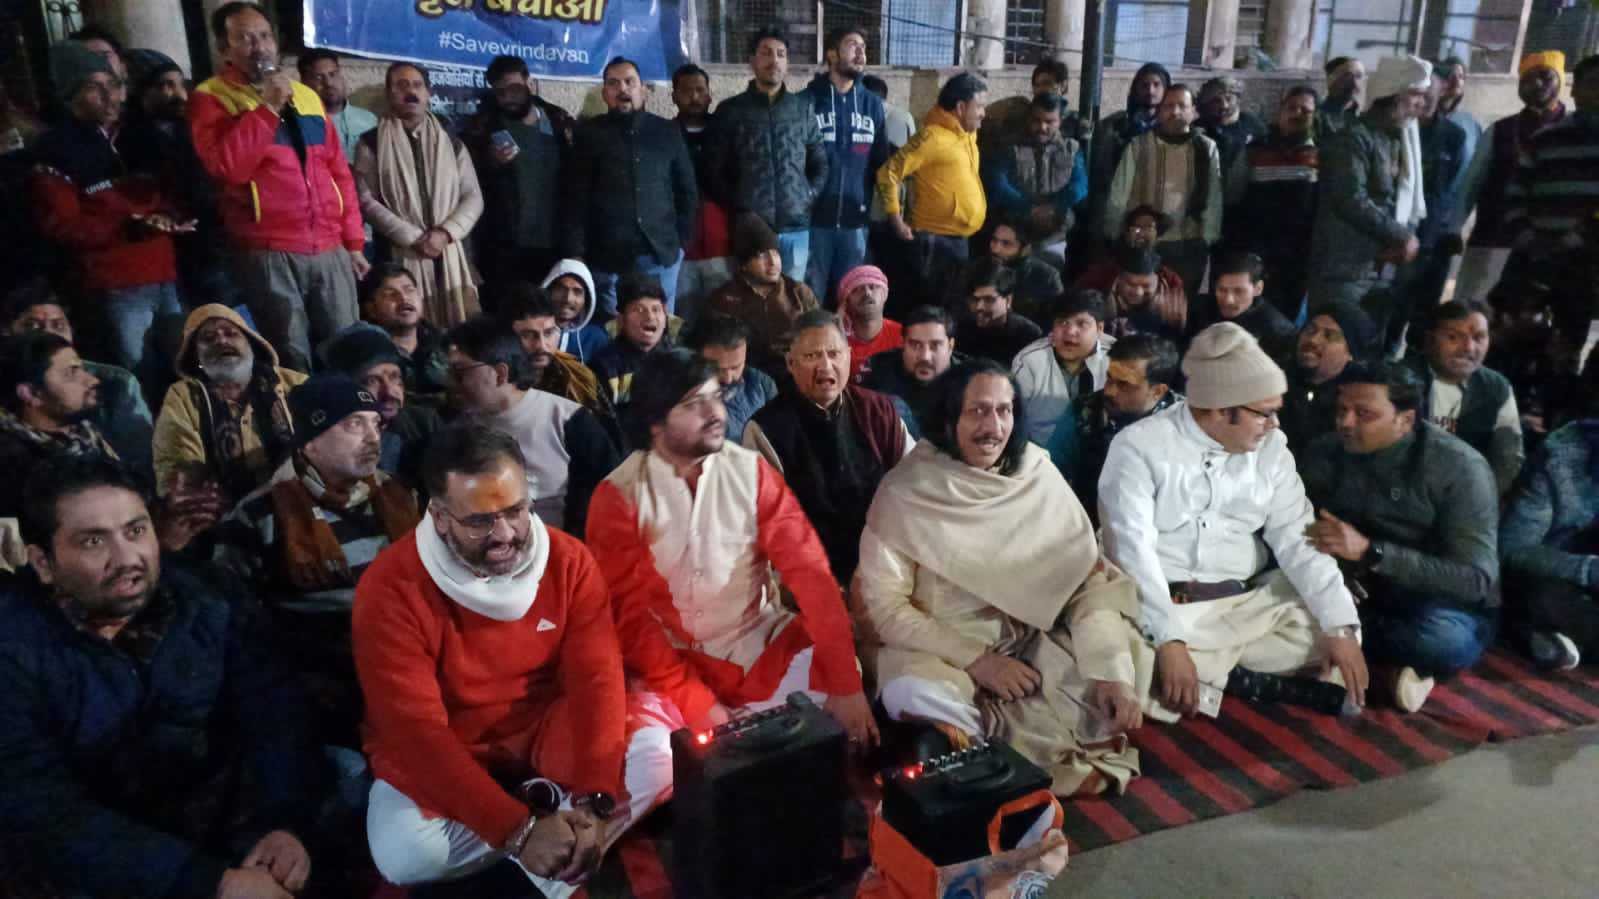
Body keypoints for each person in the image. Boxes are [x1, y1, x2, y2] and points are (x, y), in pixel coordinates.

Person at [354, 424, 671, 895]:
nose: (505, 535)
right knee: (404, 854)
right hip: (452, 753)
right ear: (439, 516)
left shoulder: (569, 561)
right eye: (480, 521)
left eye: (516, 511)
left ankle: (562, 829)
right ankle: (552, 832)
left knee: (661, 760)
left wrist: (594, 800)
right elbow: (416, 734)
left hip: (546, 735)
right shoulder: (390, 588)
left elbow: (597, 682)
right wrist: (515, 830)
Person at [0, 459, 333, 899]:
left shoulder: (210, 597)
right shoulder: (13, 648)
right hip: (111, 863)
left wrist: (283, 825)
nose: (127, 559)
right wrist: (208, 882)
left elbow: (274, 714)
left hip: (230, 827)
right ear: (43, 562)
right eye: (94, 541)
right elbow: (41, 809)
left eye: (136, 531)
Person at [855, 360, 1149, 794]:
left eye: (1003, 411)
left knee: (1127, 659)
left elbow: (1088, 583)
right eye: (977, 411)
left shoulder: (1036, 474)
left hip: (1029, 639)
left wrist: (1109, 671)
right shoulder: (907, 490)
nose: (992, 426)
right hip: (938, 646)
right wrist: (979, 660)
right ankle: (959, 750)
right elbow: (885, 608)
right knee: (915, 693)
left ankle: (968, 754)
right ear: (949, 417)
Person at [588, 350, 877, 747]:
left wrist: (845, 685)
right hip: (667, 665)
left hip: (759, 647)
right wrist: (696, 701)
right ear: (656, 422)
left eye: (716, 397)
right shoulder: (618, 496)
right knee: (650, 757)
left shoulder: (750, 471)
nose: (714, 413)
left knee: (842, 686)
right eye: (694, 403)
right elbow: (631, 620)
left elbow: (810, 576)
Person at [1099, 324, 1369, 720]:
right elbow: (1132, 552)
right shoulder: (1139, 446)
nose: (1274, 425)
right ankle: (1244, 683)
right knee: (1114, 654)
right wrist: (1170, 641)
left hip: (1244, 605)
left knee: (1334, 621)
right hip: (1162, 604)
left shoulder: (1272, 449)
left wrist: (1341, 630)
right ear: (1224, 409)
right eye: (1265, 414)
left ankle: (1217, 679)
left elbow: (1299, 539)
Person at [212, 375, 420, 745]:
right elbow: (238, 627)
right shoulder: (260, 516)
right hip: (324, 691)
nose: (373, 438)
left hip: (411, 668)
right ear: (310, 440)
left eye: (375, 423)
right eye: (353, 424)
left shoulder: (399, 497)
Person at [1300, 361, 1498, 711]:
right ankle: (1384, 678)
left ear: (1405, 420)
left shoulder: (1459, 468)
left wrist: (1371, 553)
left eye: (1364, 414)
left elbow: (1476, 581)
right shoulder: (1324, 452)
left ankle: (1340, 660)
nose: (1346, 423)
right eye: (1342, 410)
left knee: (1447, 640)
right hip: (1345, 590)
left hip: (1424, 602)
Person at [190, 1, 368, 374]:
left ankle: (357, 424)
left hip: (329, 246)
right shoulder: (211, 98)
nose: (260, 46)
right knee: (290, 356)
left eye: (265, 36)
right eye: (245, 38)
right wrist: (267, 110)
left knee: (349, 347)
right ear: (225, 49)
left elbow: (338, 173)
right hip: (269, 251)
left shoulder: (306, 96)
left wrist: (353, 242)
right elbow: (228, 168)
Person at [31, 40, 183, 373]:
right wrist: (129, 227)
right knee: (140, 375)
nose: (109, 96)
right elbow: (62, 225)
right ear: (69, 96)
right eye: (93, 87)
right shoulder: (56, 150)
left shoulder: (139, 135)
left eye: (112, 85)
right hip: (114, 286)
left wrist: (167, 214)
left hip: (164, 273)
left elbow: (167, 191)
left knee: (184, 368)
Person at [743, 311, 912, 582]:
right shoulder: (765, 430)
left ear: (849, 356)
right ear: (790, 362)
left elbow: (913, 483)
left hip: (883, 565)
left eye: (834, 354)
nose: (825, 366)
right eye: (812, 356)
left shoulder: (879, 411)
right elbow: (765, 526)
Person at [444, 317, 619, 535]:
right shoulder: (455, 430)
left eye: (460, 372)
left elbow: (610, 501)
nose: (451, 383)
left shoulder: (569, 420)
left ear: (500, 373)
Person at [565, 56, 697, 317]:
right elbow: (574, 199)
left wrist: (682, 243)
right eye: (613, 83)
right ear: (605, 94)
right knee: (615, 329)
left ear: (643, 89)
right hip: (607, 258)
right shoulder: (588, 135)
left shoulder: (667, 132)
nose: (622, 89)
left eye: (629, 82)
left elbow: (687, 192)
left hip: (660, 255)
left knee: (659, 328)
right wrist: (576, 253)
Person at [1307, 55, 1432, 331]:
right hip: (1344, 271)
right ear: (1392, 94)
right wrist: (1401, 235)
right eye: (1416, 95)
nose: (1422, 104)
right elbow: (1349, 198)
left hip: (1381, 269)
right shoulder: (1352, 139)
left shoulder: (1396, 140)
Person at [354, 62, 483, 327]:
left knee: (462, 331)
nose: (410, 92)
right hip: (401, 251)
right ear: (389, 94)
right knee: (410, 327)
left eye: (416, 85)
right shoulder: (371, 142)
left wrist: (445, 233)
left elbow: (472, 195)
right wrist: (414, 238)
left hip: (451, 252)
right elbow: (366, 200)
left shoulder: (452, 140)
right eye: (401, 86)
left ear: (428, 93)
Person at [152, 304, 307, 508]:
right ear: (196, 357)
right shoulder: (184, 396)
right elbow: (176, 462)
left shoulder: (291, 382)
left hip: (302, 495)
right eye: (208, 339)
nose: (221, 340)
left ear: (251, 345)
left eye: (231, 333)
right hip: (232, 516)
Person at [711, 28, 828, 282]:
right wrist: (741, 207)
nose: (773, 60)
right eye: (765, 53)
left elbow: (820, 162)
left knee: (793, 302)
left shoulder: (802, 109)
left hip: (796, 227)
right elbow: (713, 171)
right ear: (752, 61)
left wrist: (807, 195)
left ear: (787, 63)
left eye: (781, 54)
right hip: (751, 230)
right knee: (753, 301)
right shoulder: (731, 111)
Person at [1454, 51, 1568, 302]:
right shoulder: (1500, 130)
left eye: (1545, 76)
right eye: (1526, 78)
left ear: (1561, 82)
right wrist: (1453, 228)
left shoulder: (1575, 131)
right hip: (1493, 239)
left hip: (1555, 247)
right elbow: (1470, 185)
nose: (1535, 84)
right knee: (1474, 312)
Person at [1501, 53, 1599, 344]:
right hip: (1535, 258)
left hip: (1588, 266)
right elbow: (1516, 194)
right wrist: (1529, 239)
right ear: (1574, 89)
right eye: (1592, 84)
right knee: (1512, 336)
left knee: (1568, 344)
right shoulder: (1545, 139)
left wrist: (1581, 238)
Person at [6, 290, 153, 478]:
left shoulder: (86, 427)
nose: (92, 380)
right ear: (30, 394)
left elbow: (143, 463)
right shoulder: (17, 460)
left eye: (58, 325)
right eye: (33, 327)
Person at [876, 72, 989, 312]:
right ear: (960, 107)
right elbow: (888, 173)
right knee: (932, 310)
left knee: (951, 310)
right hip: (934, 245)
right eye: (979, 107)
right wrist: (896, 219)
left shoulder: (967, 135)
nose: (983, 113)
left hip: (959, 241)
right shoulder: (931, 137)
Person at [466, 54, 575, 289]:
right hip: (504, 249)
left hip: (556, 245)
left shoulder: (560, 123)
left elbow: (578, 181)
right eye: (500, 92)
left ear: (530, 83)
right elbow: (466, 185)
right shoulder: (483, 128)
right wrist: (490, 162)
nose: (508, 98)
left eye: (514, 89)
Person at [1046, 334, 1181, 524]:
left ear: (1157, 391)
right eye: (1109, 378)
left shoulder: (1183, 424)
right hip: (1089, 526)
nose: (1109, 391)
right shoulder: (1085, 411)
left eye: (1124, 384)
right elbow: (1051, 472)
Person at [1104, 84, 1222, 295]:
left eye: (1181, 106)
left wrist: (1208, 238)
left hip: (1187, 244)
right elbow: (1119, 194)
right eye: (1168, 106)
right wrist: (1114, 234)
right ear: (1159, 110)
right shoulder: (1139, 146)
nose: (1175, 111)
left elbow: (1214, 197)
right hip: (1144, 243)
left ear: (1193, 111)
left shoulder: (1206, 148)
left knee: (1179, 305)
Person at [1500, 419, 1599, 670]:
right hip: (1551, 575)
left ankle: (1548, 639)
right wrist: (1589, 569)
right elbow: (1512, 550)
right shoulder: (1560, 459)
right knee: (1538, 595)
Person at [803, 26, 889, 302]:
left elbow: (881, 162)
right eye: (853, 45)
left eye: (863, 47)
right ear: (831, 54)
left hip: (855, 224)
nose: (861, 52)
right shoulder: (807, 101)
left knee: (852, 302)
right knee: (810, 301)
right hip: (813, 223)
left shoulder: (872, 105)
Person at [0, 332, 119, 521]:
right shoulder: (15, 464)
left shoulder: (84, 433)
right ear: (31, 394)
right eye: (71, 373)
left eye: (82, 369)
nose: (92, 380)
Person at [1410, 300, 1523, 495]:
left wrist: (1480, 501)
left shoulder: (1497, 388)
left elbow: (1507, 458)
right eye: (1454, 337)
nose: (1469, 348)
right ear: (1429, 340)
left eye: (1479, 338)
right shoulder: (1402, 377)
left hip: (1465, 494)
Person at [1229, 86, 1320, 318]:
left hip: (1298, 254)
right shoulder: (1255, 150)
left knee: (1284, 318)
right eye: (1292, 107)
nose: (1297, 114)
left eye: (1305, 110)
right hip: (1256, 249)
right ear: (1280, 110)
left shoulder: (1320, 154)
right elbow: (1233, 195)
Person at [320, 323, 444, 491]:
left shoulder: (424, 424)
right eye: (372, 381)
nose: (389, 392)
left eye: (394, 377)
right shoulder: (327, 439)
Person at [1395, 73, 1470, 334]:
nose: (1424, 101)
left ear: (1441, 96)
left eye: (1431, 95)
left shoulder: (1454, 136)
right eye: (1420, 95)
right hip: (1398, 233)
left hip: (1435, 235)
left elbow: (1454, 186)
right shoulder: (1398, 129)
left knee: (1426, 311)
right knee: (1394, 306)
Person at [703, 214, 820, 375]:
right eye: (761, 255)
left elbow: (820, 334)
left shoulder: (798, 292)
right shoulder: (724, 299)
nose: (773, 262)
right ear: (744, 265)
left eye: (775, 253)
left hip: (796, 372)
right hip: (747, 375)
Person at [983, 93, 1086, 264]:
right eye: (1036, 120)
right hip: (1014, 234)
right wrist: (1028, 208)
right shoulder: (1010, 147)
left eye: (1049, 121)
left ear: (1060, 121)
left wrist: (1053, 206)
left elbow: (1080, 186)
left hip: (1054, 236)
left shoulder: (1071, 150)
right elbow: (997, 183)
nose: (1042, 127)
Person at [1012, 290, 1112, 446]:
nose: (1070, 332)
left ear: (1099, 329)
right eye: (1063, 322)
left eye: (1081, 324)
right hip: (1043, 455)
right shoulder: (1029, 361)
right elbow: (1014, 421)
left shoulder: (1116, 358)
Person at [673, 63, 734, 318]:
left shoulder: (728, 134)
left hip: (724, 245)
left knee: (723, 319)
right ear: (674, 96)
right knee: (683, 320)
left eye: (700, 90)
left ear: (710, 94)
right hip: (680, 249)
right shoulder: (663, 136)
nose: (695, 97)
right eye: (687, 91)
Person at [1088, 62, 1171, 246]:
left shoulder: (1173, 128)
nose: (1150, 90)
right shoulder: (1114, 126)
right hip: (1118, 205)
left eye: (1157, 84)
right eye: (1144, 85)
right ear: (1135, 89)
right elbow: (1101, 172)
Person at [499, 282, 611, 416]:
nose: (541, 345)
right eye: (528, 335)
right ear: (507, 337)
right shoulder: (492, 382)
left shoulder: (580, 378)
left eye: (548, 333)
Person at [1280, 300, 1378, 452]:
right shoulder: (1276, 377)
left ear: (1351, 353)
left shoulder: (1358, 400)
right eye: (1311, 330)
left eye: (1330, 336)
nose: (1313, 340)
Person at [860, 305, 963, 438]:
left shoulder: (970, 380)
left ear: (950, 346)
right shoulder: (880, 369)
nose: (925, 356)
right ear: (902, 344)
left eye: (935, 346)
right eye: (915, 345)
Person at [358, 263, 449, 402]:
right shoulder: (367, 355)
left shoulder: (446, 342)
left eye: (409, 290)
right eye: (390, 294)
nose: (404, 298)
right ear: (371, 309)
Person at [1189, 250, 1298, 359]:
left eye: (1239, 291)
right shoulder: (1204, 309)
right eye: (1222, 290)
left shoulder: (1277, 331)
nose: (1228, 300)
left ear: (1258, 289)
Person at [687, 315, 777, 443]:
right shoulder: (685, 396)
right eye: (717, 369)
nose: (728, 379)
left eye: (736, 367)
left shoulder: (763, 384)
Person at [590, 277, 674, 414]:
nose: (650, 317)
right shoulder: (603, 366)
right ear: (621, 320)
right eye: (639, 310)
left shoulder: (677, 360)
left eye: (656, 309)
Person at [957, 257, 1043, 367]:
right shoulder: (960, 329)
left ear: (1008, 300)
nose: (979, 306)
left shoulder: (1029, 335)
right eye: (974, 299)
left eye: (989, 300)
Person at [976, 218, 1064, 325]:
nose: (995, 249)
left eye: (1006, 244)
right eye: (994, 240)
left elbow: (1054, 320)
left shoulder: (1047, 277)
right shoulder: (977, 268)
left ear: (1025, 249)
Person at [298, 48, 378, 163]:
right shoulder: (302, 125)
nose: (329, 83)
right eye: (318, 77)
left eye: (333, 74)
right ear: (304, 83)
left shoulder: (369, 120)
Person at [1096, 244, 1187, 344]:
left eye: (1146, 285)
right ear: (1118, 279)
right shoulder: (1099, 296)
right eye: (1130, 284)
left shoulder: (1173, 305)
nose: (1138, 292)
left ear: (1159, 282)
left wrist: (1178, 326)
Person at [1197, 75, 1267, 199]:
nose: (1224, 105)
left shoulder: (1252, 125)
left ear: (1238, 99)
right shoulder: (1200, 128)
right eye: (1216, 101)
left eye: (1229, 99)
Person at [540, 258, 610, 363]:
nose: (568, 299)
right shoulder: (532, 330)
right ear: (548, 290)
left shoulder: (596, 338)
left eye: (577, 292)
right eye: (561, 289)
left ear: (586, 299)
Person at [839, 264, 902, 381]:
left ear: (885, 295)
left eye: (873, 287)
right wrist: (835, 329)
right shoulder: (834, 339)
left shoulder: (902, 336)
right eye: (857, 289)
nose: (867, 293)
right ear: (845, 302)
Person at [1432, 57, 1482, 166]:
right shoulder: (1428, 118)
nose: (1456, 81)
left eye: (1461, 76)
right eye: (1451, 76)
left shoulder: (1471, 124)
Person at [1317, 57, 1366, 138]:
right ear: (1329, 80)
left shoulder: (1363, 119)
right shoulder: (1317, 118)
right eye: (1347, 76)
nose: (1355, 83)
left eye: (1359, 76)